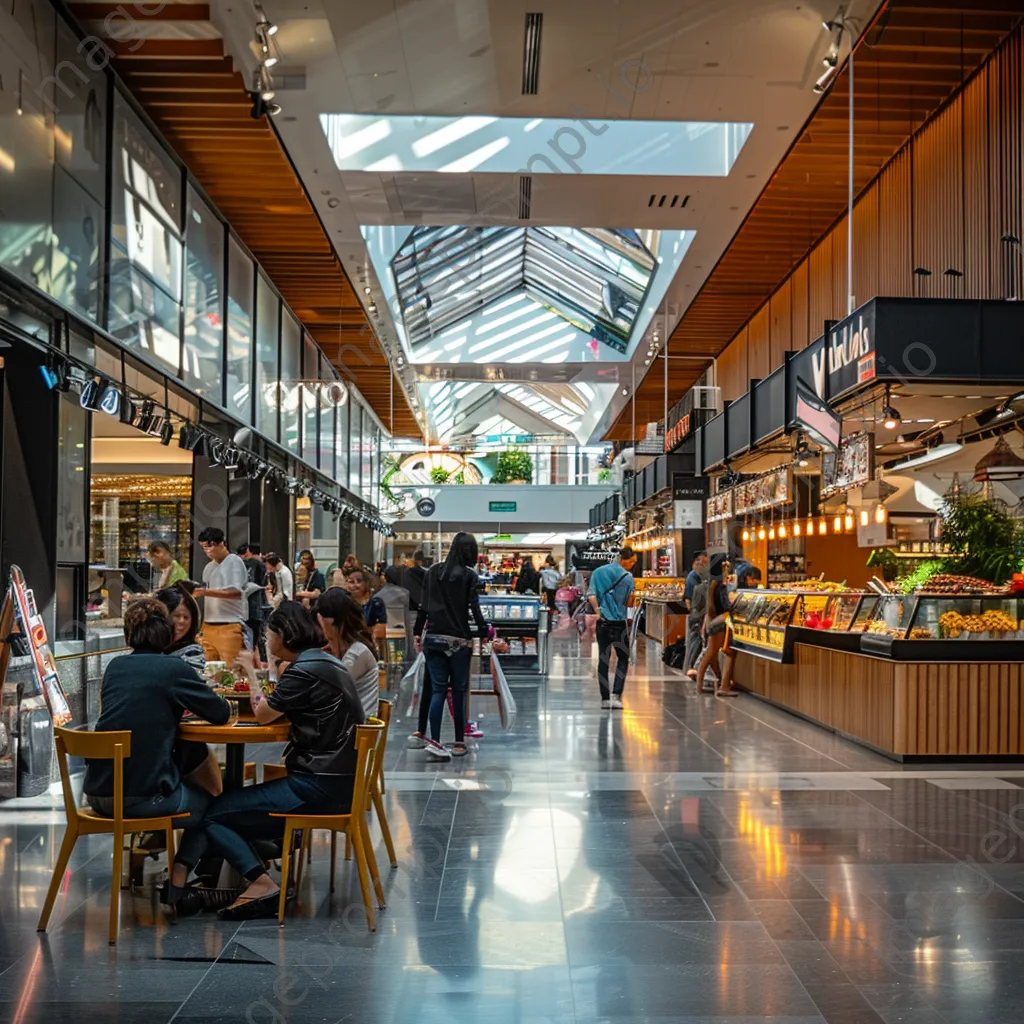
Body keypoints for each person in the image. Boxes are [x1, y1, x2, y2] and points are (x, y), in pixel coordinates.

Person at [169, 602, 366, 919]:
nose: (265, 641)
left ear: (283, 634)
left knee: (213, 812)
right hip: (337, 782)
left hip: (317, 787)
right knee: (227, 808)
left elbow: (262, 713)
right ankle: (195, 878)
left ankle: (259, 883)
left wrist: (249, 668)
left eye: (268, 635)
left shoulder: (305, 670)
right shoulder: (323, 663)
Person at [82, 599, 231, 904]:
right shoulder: (173, 669)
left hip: (98, 793)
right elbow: (220, 714)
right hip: (139, 799)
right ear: (166, 634)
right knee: (216, 805)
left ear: (130, 635)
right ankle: (179, 882)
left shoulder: (115, 667)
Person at [413, 532, 492, 760]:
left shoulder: (433, 572)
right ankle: (459, 742)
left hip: (434, 639)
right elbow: (474, 609)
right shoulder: (469, 576)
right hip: (459, 641)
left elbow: (423, 607)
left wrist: (418, 632)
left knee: (438, 690)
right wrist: (484, 631)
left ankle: (435, 742)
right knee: (458, 692)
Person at [154, 585, 223, 798]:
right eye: (175, 616)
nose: (181, 622)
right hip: (162, 746)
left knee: (211, 790)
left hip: (179, 740)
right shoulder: (149, 651)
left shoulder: (192, 652)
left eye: (186, 617)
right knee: (212, 793)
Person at [587, 546, 638, 710]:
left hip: (603, 622)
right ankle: (616, 696)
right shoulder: (628, 577)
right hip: (619, 622)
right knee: (623, 659)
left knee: (603, 659)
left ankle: (604, 699)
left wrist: (598, 611)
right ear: (624, 559)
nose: (632, 565)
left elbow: (591, 595)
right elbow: (628, 603)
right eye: (631, 562)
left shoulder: (598, 572)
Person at [317, 587, 380, 720]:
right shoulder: (348, 650)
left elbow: (327, 694)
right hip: (346, 727)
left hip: (354, 732)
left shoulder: (357, 654)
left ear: (330, 621)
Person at [194, 527, 249, 665]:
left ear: (221, 543)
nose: (207, 551)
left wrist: (204, 592)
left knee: (231, 672)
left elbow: (236, 593)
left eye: (209, 546)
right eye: (204, 547)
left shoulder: (234, 561)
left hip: (229, 625)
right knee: (207, 670)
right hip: (208, 625)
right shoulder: (209, 567)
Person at [697, 554, 739, 698]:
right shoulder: (720, 586)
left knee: (711, 654)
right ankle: (722, 686)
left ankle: (709, 683)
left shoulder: (710, 583)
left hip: (711, 621)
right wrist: (734, 604)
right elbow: (726, 606)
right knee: (717, 653)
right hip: (720, 622)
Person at [238, 542, 269, 660]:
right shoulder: (261, 565)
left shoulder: (242, 565)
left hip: (244, 606)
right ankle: (259, 660)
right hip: (258, 605)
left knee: (248, 636)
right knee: (257, 635)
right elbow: (264, 583)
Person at [377, 564, 414, 658]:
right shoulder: (404, 594)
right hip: (399, 631)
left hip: (383, 631)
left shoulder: (378, 596)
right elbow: (407, 620)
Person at [683, 550, 709, 679]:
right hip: (697, 616)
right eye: (704, 562)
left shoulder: (702, 577)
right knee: (695, 642)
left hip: (700, 615)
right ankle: (691, 667)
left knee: (697, 643)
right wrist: (693, 613)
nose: (705, 565)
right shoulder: (692, 577)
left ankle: (693, 668)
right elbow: (688, 598)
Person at [345, 566, 387, 646]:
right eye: (351, 582)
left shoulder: (375, 603)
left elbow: (380, 632)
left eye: (359, 581)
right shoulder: (344, 603)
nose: (355, 585)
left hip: (369, 646)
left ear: (367, 583)